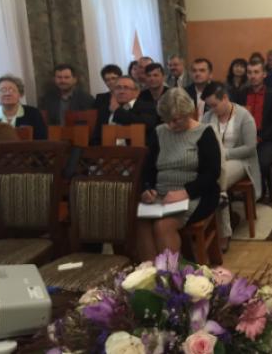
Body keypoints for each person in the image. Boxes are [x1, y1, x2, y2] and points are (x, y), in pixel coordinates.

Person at [137, 88, 221, 261]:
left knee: (163, 226)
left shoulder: (204, 133)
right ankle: (150, 278)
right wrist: (148, 189)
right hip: (161, 196)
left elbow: (212, 173)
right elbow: (149, 169)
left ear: (188, 112)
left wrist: (185, 192)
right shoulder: (159, 132)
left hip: (195, 195)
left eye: (176, 120)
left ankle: (171, 278)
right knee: (141, 223)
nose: (171, 125)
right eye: (167, 120)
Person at [202, 82, 262, 251]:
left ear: (225, 98)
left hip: (241, 161)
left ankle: (224, 233)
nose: (212, 109)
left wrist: (224, 154)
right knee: (209, 179)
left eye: (214, 105)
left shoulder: (244, 116)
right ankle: (207, 225)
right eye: (209, 106)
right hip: (215, 162)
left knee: (217, 180)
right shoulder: (207, 117)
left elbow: (250, 148)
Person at [235, 60, 272, 193]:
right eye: (250, 72)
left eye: (256, 72)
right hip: (244, 139)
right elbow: (236, 119)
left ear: (264, 74)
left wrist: (259, 138)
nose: (253, 76)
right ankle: (244, 191)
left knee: (262, 162)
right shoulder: (241, 94)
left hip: (265, 139)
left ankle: (259, 190)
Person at [92, 76, 158, 144]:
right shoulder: (105, 108)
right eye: (118, 88)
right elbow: (97, 136)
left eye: (126, 88)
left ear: (137, 92)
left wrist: (117, 111)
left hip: (136, 152)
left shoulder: (147, 107)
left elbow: (144, 125)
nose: (121, 91)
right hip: (107, 152)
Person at [0, 75, 47, 139]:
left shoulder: (33, 113)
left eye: (12, 90)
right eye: (3, 90)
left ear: (20, 94)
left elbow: (42, 139)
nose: (7, 94)